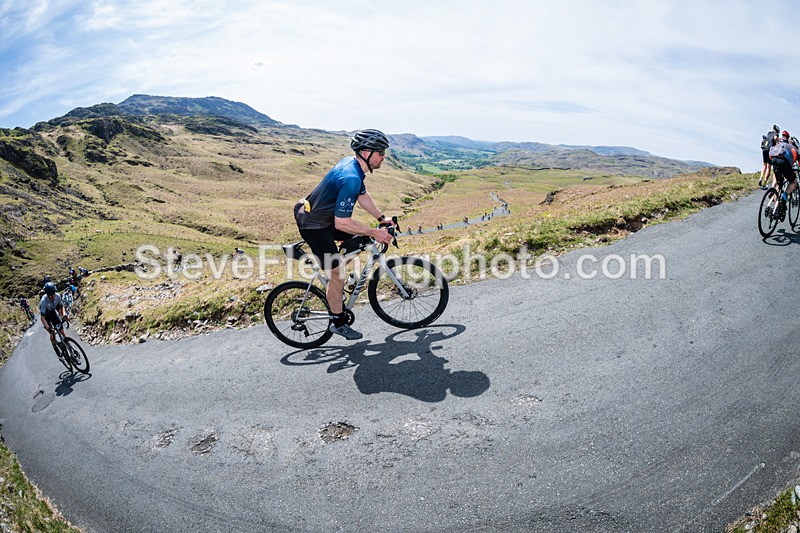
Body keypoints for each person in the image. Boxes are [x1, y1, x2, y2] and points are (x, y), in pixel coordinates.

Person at [293, 129, 395, 340]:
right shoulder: (350, 177)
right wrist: (375, 232)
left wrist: (381, 218)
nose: (384, 157)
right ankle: (337, 322)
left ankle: (338, 278)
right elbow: (342, 222)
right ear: (366, 152)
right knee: (337, 273)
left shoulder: (354, 167)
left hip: (322, 217)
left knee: (359, 240)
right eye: (381, 152)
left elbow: (363, 196)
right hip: (313, 225)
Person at [39, 282, 70, 356]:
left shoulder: (58, 296)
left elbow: (61, 307)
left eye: (54, 293)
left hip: (53, 313)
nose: (53, 296)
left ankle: (69, 346)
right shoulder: (43, 302)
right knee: (52, 334)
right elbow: (42, 318)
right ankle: (55, 347)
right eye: (51, 295)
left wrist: (64, 315)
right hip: (46, 317)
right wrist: (49, 328)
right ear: (47, 294)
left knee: (62, 331)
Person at [769, 130, 798, 204]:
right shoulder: (790, 146)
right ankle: (784, 197)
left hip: (774, 160)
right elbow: (797, 156)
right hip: (784, 162)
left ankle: (775, 208)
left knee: (779, 185)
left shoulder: (777, 144)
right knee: (793, 182)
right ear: (788, 139)